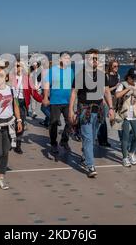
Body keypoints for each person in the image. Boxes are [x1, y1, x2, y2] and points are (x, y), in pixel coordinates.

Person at [68, 49, 114, 178]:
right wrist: (71, 110)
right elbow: (74, 93)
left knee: (92, 138)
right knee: (88, 138)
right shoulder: (80, 76)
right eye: (91, 58)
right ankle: (90, 165)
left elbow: (106, 92)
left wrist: (111, 108)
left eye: (96, 58)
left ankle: (85, 154)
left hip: (98, 111)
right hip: (85, 111)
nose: (94, 60)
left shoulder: (101, 75)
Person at [42, 52, 74, 155]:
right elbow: (47, 84)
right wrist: (46, 97)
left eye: (69, 58)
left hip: (68, 102)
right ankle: (53, 144)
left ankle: (64, 141)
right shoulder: (53, 70)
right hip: (55, 101)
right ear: (60, 59)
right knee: (54, 123)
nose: (68, 60)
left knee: (70, 121)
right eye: (65, 58)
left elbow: (74, 87)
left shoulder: (71, 71)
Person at [113, 68, 136, 167]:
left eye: (135, 78)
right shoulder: (122, 85)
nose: (134, 80)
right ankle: (124, 157)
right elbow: (117, 95)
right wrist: (128, 89)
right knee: (125, 137)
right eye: (132, 77)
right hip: (125, 113)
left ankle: (131, 153)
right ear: (128, 76)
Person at [10, 61, 43, 154]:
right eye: (15, 66)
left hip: (22, 103)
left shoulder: (26, 79)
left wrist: (42, 100)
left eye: (18, 66)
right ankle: (10, 141)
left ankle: (18, 145)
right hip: (12, 102)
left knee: (21, 124)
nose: (16, 67)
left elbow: (34, 92)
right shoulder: (10, 78)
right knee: (11, 123)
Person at [97, 60, 121, 147]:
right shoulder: (106, 76)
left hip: (115, 100)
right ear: (110, 67)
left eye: (117, 66)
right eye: (114, 66)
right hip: (106, 99)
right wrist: (115, 87)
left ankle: (119, 140)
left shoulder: (118, 76)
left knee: (114, 120)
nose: (116, 68)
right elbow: (105, 90)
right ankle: (102, 140)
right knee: (103, 120)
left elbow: (118, 89)